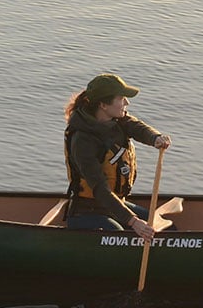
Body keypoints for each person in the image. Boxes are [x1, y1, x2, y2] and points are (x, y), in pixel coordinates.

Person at [63, 73, 171, 241]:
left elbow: (136, 127)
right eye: (121, 98)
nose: (126, 103)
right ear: (103, 105)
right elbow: (100, 189)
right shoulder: (83, 141)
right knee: (120, 236)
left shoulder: (117, 119)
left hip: (114, 205)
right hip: (87, 211)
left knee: (165, 229)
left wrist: (155, 138)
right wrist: (133, 222)